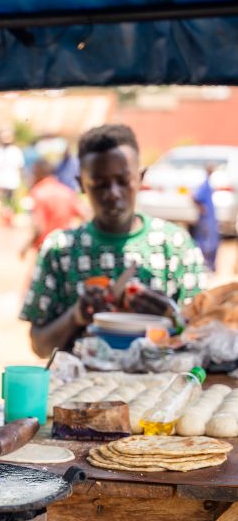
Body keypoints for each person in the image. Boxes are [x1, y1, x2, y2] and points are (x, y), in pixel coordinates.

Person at [21, 124, 206, 358]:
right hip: (82, 390)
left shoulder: (175, 245)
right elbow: (40, 347)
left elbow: (205, 338)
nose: (113, 193)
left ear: (140, 178)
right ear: (81, 185)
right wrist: (76, 315)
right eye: (99, 184)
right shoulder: (61, 250)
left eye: (123, 180)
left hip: (160, 389)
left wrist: (171, 316)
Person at [21, 157, 86, 257]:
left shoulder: (38, 193)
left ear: (39, 173)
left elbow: (39, 227)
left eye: (33, 173)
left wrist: (26, 247)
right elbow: (86, 215)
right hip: (65, 247)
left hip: (45, 248)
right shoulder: (66, 191)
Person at [189, 164, 220, 271]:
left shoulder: (209, 183)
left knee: (212, 241)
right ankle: (204, 266)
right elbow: (194, 196)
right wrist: (201, 207)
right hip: (205, 220)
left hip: (210, 218)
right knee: (205, 243)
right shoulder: (204, 185)